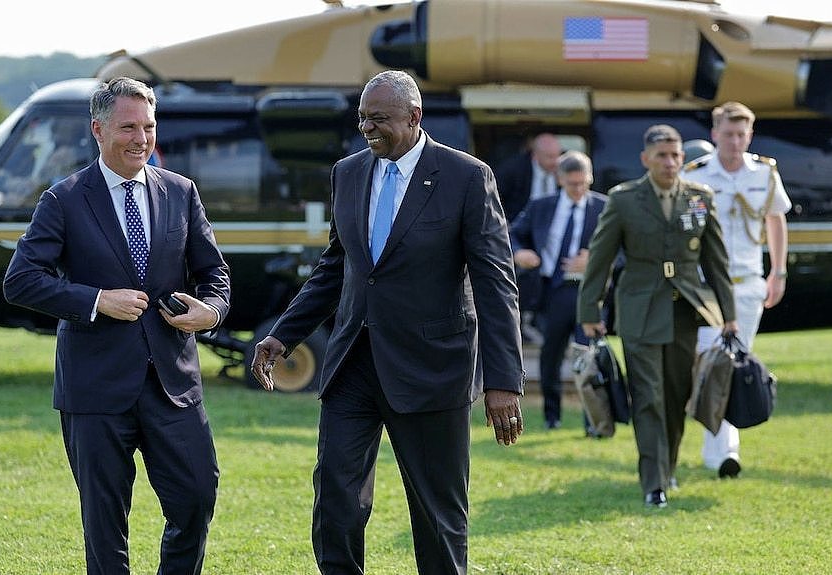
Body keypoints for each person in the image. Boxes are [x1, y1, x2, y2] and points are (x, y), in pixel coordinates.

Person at [250, 70, 524, 574]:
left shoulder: (466, 176)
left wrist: (504, 382)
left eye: (379, 119)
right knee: (335, 498)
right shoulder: (348, 172)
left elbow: (495, 283)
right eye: (362, 119)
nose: (368, 129)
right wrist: (284, 334)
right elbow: (337, 266)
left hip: (432, 369)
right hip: (354, 362)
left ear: (414, 118)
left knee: (437, 515)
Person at [3, 77, 231, 574]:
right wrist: (96, 300)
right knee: (105, 529)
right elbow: (20, 281)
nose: (141, 139)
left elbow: (215, 273)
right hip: (95, 389)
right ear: (98, 130)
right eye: (128, 127)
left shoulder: (181, 192)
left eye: (148, 127)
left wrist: (211, 310)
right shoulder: (63, 200)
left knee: (196, 498)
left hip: (174, 385)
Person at [577, 124, 737, 508]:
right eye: (662, 156)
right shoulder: (625, 199)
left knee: (676, 393)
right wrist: (589, 309)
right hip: (639, 309)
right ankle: (654, 483)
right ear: (645, 159)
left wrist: (728, 315)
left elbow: (716, 262)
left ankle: (668, 468)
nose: (670, 162)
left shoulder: (699, 198)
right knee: (647, 395)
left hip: (685, 310)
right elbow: (599, 259)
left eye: (676, 155)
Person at [682, 101, 791, 479]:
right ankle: (722, 450)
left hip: (746, 285)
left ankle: (722, 450)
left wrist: (778, 272)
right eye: (728, 133)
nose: (735, 141)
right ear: (715, 135)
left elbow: (775, 220)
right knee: (716, 365)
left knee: (728, 365)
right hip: (706, 287)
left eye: (742, 134)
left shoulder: (763, 173)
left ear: (750, 135)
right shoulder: (696, 174)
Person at [510, 150, 607, 430]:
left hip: (590, 293)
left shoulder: (604, 207)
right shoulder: (542, 206)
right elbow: (512, 233)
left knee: (588, 355)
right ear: (560, 179)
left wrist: (594, 258)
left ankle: (594, 421)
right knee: (550, 355)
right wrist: (520, 253)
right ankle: (552, 416)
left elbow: (624, 250)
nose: (578, 189)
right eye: (572, 183)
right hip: (552, 291)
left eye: (583, 183)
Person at [495, 133, 562, 345]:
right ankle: (522, 322)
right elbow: (494, 202)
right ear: (536, 156)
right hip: (518, 230)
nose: (555, 162)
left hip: (553, 234)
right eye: (549, 157)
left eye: (557, 156)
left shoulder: (564, 169)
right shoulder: (513, 169)